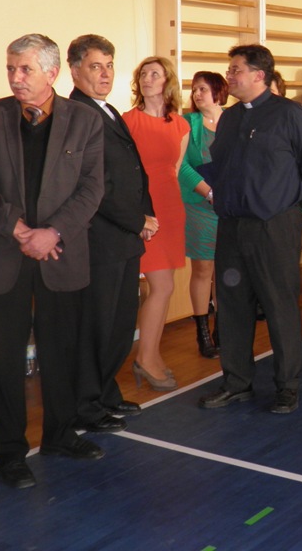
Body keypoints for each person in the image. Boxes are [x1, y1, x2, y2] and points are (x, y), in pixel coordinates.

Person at [0, 33, 105, 490]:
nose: (15, 77)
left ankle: (60, 435)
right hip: (3, 252)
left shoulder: (85, 120)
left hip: (60, 252)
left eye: (25, 69)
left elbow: (92, 188)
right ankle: (9, 452)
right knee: (2, 359)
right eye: (11, 68)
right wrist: (22, 231)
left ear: (52, 72)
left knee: (62, 351)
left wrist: (52, 232)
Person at [198, 45, 302, 414]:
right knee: (232, 307)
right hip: (232, 227)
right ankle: (237, 382)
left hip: (273, 227)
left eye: (236, 69)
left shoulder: (289, 114)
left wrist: (280, 202)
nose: (230, 76)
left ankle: (287, 386)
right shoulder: (230, 118)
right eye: (230, 69)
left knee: (279, 305)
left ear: (259, 75)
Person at [67, 35, 157, 435]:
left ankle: (105, 392)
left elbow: (133, 170)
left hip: (123, 239)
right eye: (95, 67)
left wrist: (147, 212)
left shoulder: (107, 110)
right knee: (97, 327)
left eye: (109, 66)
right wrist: (137, 220)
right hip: (99, 239)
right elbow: (95, 185)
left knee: (119, 325)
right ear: (74, 71)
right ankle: (86, 405)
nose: (105, 74)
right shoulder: (76, 114)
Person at [123, 56, 189, 391]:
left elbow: (174, 169)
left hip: (171, 208)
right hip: (145, 211)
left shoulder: (181, 125)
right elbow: (123, 174)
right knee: (160, 287)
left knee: (166, 287)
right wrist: (137, 216)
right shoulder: (127, 121)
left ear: (167, 81)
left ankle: (152, 354)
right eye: (143, 74)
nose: (147, 79)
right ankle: (145, 359)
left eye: (154, 74)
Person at [178, 71, 227, 358]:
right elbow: (181, 165)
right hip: (199, 205)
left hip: (230, 207)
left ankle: (222, 329)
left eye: (203, 89)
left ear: (218, 92)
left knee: (225, 269)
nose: (197, 94)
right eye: (194, 89)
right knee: (203, 269)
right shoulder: (187, 122)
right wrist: (208, 192)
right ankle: (203, 333)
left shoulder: (233, 121)